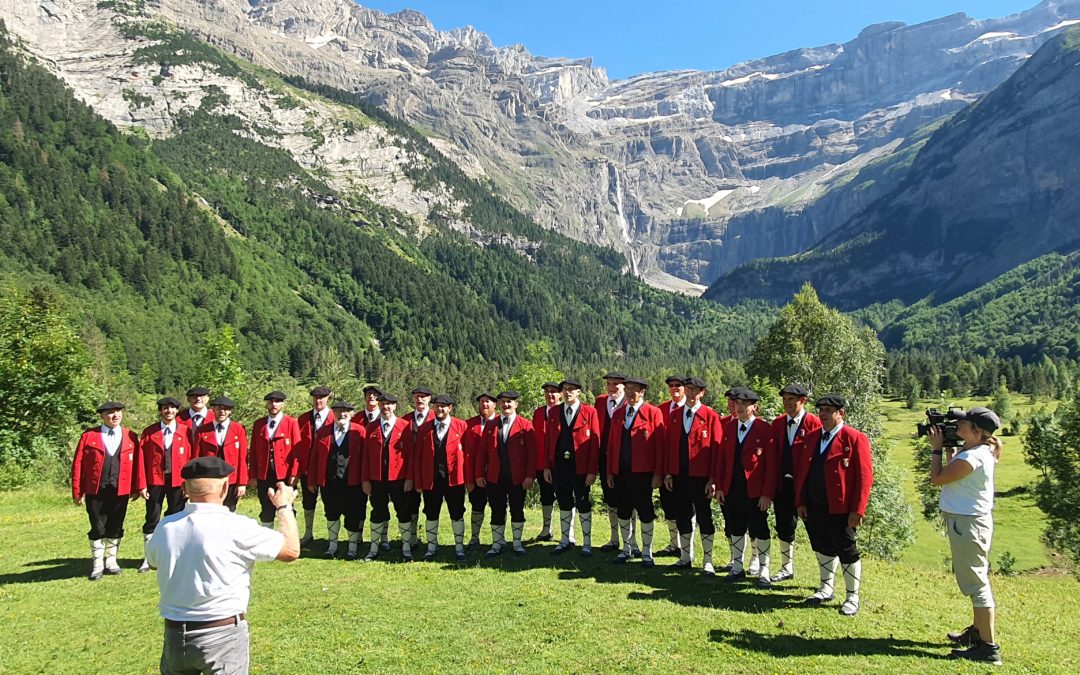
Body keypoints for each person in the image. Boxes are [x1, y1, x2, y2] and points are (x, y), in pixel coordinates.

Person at [146, 456, 299, 675]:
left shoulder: (166, 526)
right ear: (225, 487)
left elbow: (153, 563)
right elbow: (291, 550)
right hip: (222, 632)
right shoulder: (238, 527)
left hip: (175, 633)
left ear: (184, 489)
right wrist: (284, 506)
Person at [929, 407, 1004, 665]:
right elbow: (957, 476)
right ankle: (977, 632)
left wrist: (937, 448)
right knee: (976, 579)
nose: (958, 427)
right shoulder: (977, 452)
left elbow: (937, 479)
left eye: (964, 424)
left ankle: (989, 647)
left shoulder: (973, 457)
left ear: (977, 431)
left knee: (977, 584)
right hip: (970, 522)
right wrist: (952, 451)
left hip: (968, 525)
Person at [794, 394, 873, 616]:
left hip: (841, 508)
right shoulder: (811, 437)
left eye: (829, 410)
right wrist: (800, 500)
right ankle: (826, 587)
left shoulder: (854, 438)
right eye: (821, 410)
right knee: (821, 547)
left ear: (841, 413)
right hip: (814, 504)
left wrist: (858, 509)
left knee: (847, 549)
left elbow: (865, 477)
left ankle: (852, 596)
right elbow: (802, 472)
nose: (824, 414)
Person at [714, 387, 778, 586]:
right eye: (737, 404)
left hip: (755, 491)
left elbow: (772, 466)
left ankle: (764, 569)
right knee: (735, 526)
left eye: (744, 404)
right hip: (733, 488)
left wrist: (767, 494)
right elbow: (721, 461)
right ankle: (737, 566)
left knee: (759, 528)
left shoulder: (765, 429)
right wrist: (721, 487)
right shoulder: (729, 428)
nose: (739, 407)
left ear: (754, 407)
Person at [72, 401, 140, 580]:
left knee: (116, 525)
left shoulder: (130, 436)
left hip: (120, 490)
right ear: (102, 416)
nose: (115, 416)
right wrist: (77, 491)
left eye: (118, 412)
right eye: (110, 413)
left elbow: (138, 465)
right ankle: (97, 565)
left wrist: (137, 487)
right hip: (96, 489)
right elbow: (77, 464)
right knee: (97, 526)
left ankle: (111, 561)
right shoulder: (89, 436)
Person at [663, 377, 722, 575]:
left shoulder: (711, 416)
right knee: (682, 516)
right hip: (680, 475)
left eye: (694, 390)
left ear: (702, 393)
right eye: (688, 389)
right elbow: (670, 446)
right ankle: (686, 557)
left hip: (702, 477)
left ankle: (708, 560)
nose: (690, 393)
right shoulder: (675, 415)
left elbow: (716, 450)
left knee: (704, 517)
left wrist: (713, 479)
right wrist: (670, 472)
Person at [605, 377, 665, 566]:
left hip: (643, 472)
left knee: (645, 511)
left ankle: (647, 552)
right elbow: (612, 445)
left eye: (634, 389)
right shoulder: (618, 413)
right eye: (628, 388)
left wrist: (658, 473)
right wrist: (610, 471)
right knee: (622, 510)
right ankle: (627, 548)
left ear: (642, 392)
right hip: (621, 471)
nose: (630, 392)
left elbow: (660, 447)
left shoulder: (653, 413)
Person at [768, 384, 822, 584]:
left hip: (807, 488)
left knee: (815, 530)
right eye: (785, 399)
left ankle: (824, 576)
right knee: (784, 526)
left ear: (803, 401)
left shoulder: (815, 423)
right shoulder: (777, 423)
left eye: (792, 399)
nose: (788, 403)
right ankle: (786, 567)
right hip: (783, 485)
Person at [540, 378, 600, 555]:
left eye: (571, 389)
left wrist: (592, 471)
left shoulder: (590, 412)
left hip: (580, 467)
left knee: (582, 503)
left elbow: (595, 444)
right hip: (559, 466)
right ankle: (565, 540)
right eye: (565, 389)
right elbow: (548, 441)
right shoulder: (554, 413)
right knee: (564, 502)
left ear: (579, 392)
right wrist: (546, 466)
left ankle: (587, 543)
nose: (567, 392)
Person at [137, 397, 195, 573]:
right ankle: (149, 558)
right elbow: (141, 460)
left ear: (177, 411)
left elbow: (192, 458)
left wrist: (189, 485)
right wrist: (142, 485)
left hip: (178, 482)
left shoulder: (186, 431)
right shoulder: (150, 432)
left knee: (177, 518)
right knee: (152, 518)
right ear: (160, 411)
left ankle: (175, 555)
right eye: (165, 408)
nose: (168, 411)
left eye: (172, 408)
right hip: (155, 480)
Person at [476, 390, 536, 557]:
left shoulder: (525, 425)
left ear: (516, 404)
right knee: (496, 510)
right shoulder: (490, 424)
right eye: (503, 402)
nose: (506, 405)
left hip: (518, 478)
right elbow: (482, 453)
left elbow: (532, 453)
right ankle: (497, 544)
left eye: (510, 402)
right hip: (495, 476)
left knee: (517, 510)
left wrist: (530, 475)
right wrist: (479, 473)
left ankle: (517, 544)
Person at [412, 394, 469, 561]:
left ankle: (459, 548)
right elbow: (418, 457)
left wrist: (469, 480)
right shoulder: (425, 428)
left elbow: (468, 455)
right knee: (431, 512)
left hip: (455, 479)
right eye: (437, 406)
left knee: (457, 512)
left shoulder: (461, 426)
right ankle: (431, 548)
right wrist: (418, 480)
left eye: (444, 406)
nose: (440, 409)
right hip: (431, 479)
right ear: (433, 408)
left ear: (450, 408)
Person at [308, 401, 367, 560]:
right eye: (339, 411)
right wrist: (312, 480)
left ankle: (352, 548)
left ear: (352, 414)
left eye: (346, 412)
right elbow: (315, 457)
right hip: (329, 482)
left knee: (353, 514)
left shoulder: (360, 431)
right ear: (333, 413)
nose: (342, 414)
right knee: (331, 513)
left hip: (353, 482)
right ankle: (332, 546)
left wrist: (365, 480)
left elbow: (365, 458)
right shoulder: (323, 432)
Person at [360, 393, 415, 561]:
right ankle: (374, 548)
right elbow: (365, 456)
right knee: (377, 512)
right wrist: (365, 480)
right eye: (383, 404)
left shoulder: (405, 426)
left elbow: (411, 455)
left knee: (403, 512)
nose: (386, 407)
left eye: (389, 404)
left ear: (395, 406)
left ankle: (406, 548)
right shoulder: (371, 427)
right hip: (377, 479)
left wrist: (410, 478)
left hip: (399, 478)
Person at [250, 391, 303, 528]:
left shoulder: (291, 423)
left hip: (284, 474)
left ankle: (288, 540)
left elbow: (297, 451)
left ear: (283, 404)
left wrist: (294, 473)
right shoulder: (259, 424)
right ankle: (268, 539)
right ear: (267, 404)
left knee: (286, 507)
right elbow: (254, 452)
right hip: (264, 474)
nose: (274, 404)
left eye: (277, 401)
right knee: (266, 508)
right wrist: (253, 475)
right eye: (271, 402)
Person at [596, 371, 634, 553]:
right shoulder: (600, 401)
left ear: (624, 387)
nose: (611, 388)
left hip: (625, 460)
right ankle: (614, 539)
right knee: (610, 499)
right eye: (609, 384)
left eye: (615, 385)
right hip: (604, 458)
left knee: (628, 500)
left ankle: (632, 541)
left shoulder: (630, 404)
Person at [194, 396, 248, 511]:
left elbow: (243, 458)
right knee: (209, 510)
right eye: (219, 408)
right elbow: (196, 457)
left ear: (230, 411)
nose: (222, 411)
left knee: (229, 510)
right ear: (213, 410)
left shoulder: (238, 429)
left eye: (226, 409)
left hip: (231, 478)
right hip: (209, 477)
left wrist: (242, 483)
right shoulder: (202, 430)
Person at [297, 385, 335, 545]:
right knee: (308, 500)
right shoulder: (303, 419)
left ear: (328, 398)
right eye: (316, 397)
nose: (318, 400)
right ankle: (308, 532)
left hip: (328, 467)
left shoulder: (336, 416)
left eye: (322, 397)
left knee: (330, 501)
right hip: (307, 467)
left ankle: (331, 536)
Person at [656, 375, 689, 557]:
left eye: (678, 385)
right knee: (668, 506)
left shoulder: (690, 409)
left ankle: (686, 548)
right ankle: (673, 544)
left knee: (685, 508)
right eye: (671, 385)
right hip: (666, 466)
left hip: (686, 468)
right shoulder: (661, 410)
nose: (675, 388)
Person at [463, 392, 498, 549]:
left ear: (494, 405)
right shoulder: (469, 425)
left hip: (497, 475)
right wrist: (470, 478)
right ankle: (474, 538)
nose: (484, 405)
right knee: (477, 506)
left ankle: (498, 540)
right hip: (476, 475)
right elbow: (466, 454)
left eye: (488, 402)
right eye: (482, 402)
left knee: (498, 506)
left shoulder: (501, 422)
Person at [531, 382, 563, 542]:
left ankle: (567, 533)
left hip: (559, 463)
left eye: (554, 392)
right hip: (541, 462)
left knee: (565, 497)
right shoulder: (538, 413)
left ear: (560, 395)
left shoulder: (564, 412)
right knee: (546, 496)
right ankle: (546, 529)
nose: (550, 395)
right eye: (547, 392)